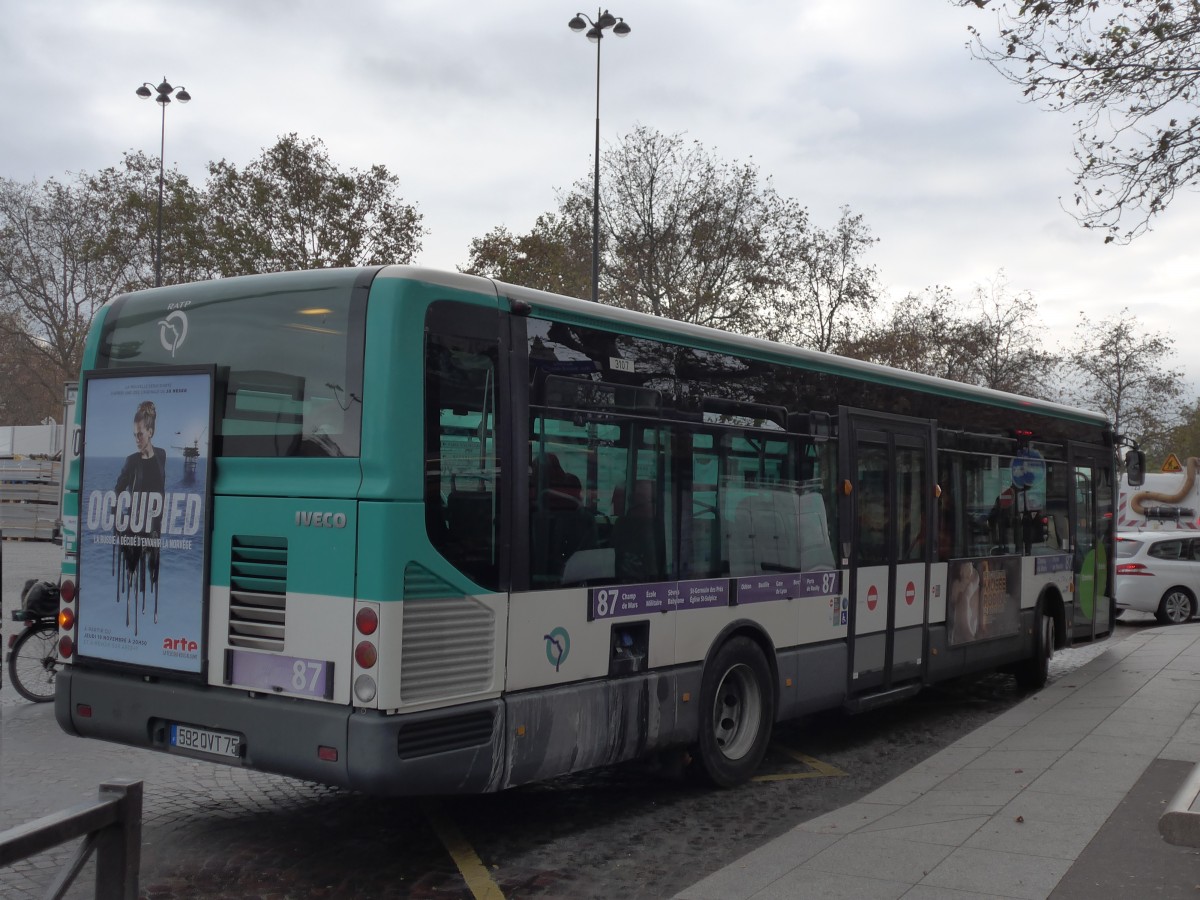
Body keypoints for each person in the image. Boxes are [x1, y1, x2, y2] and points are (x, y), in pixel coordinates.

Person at [113, 400, 168, 628]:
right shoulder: (131, 461)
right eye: (134, 435)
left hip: (154, 529)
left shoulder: (162, 455)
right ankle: (128, 621)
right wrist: (121, 516)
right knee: (131, 576)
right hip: (134, 528)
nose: (137, 438)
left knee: (154, 575)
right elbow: (118, 489)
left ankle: (151, 621)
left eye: (140, 434)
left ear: (150, 432)